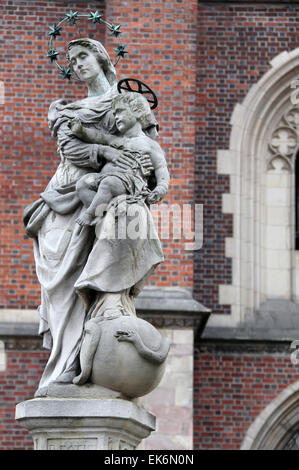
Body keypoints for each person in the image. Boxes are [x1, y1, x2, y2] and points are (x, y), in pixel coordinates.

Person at [23, 38, 165, 396]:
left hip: (112, 193)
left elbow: (151, 156)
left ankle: (90, 355)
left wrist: (140, 177)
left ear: (101, 59)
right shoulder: (70, 110)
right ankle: (62, 365)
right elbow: (70, 148)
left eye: (84, 56)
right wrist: (107, 151)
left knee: (101, 273)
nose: (77, 64)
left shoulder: (126, 105)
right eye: (72, 60)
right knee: (61, 286)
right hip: (67, 192)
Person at [68, 92, 169, 228]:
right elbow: (97, 136)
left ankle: (90, 214)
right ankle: (105, 214)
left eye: (120, 111)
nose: (116, 116)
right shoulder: (117, 140)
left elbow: (161, 168)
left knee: (108, 184)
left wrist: (161, 188)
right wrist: (80, 130)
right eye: (114, 113)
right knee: (83, 183)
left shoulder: (149, 144)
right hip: (104, 177)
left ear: (138, 112)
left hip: (128, 182)